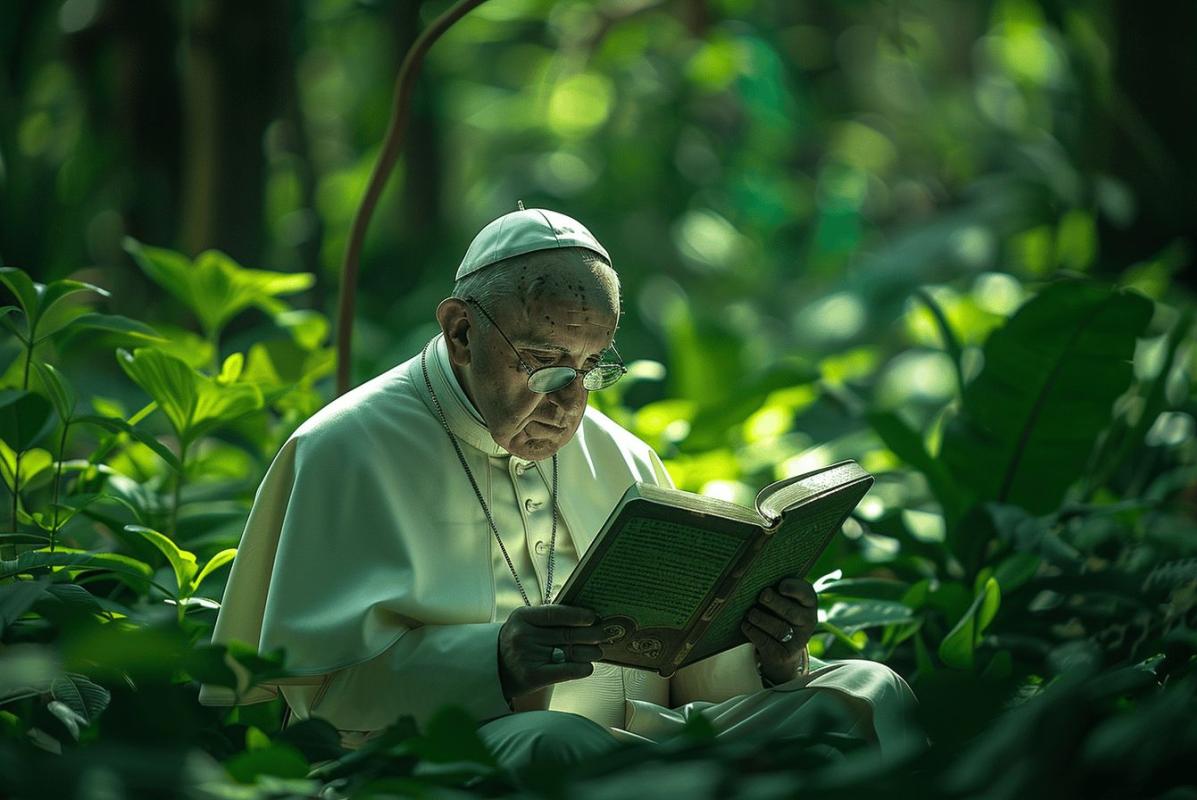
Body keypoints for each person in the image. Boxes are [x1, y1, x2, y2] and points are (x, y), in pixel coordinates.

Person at [199, 207, 920, 767]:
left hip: (645, 740)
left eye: (593, 365)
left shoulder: (623, 460)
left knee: (864, 693)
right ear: (460, 334)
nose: (570, 400)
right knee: (556, 746)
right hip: (453, 758)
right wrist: (495, 666)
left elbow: (685, 679)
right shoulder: (346, 450)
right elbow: (316, 702)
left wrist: (772, 656)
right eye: (543, 361)